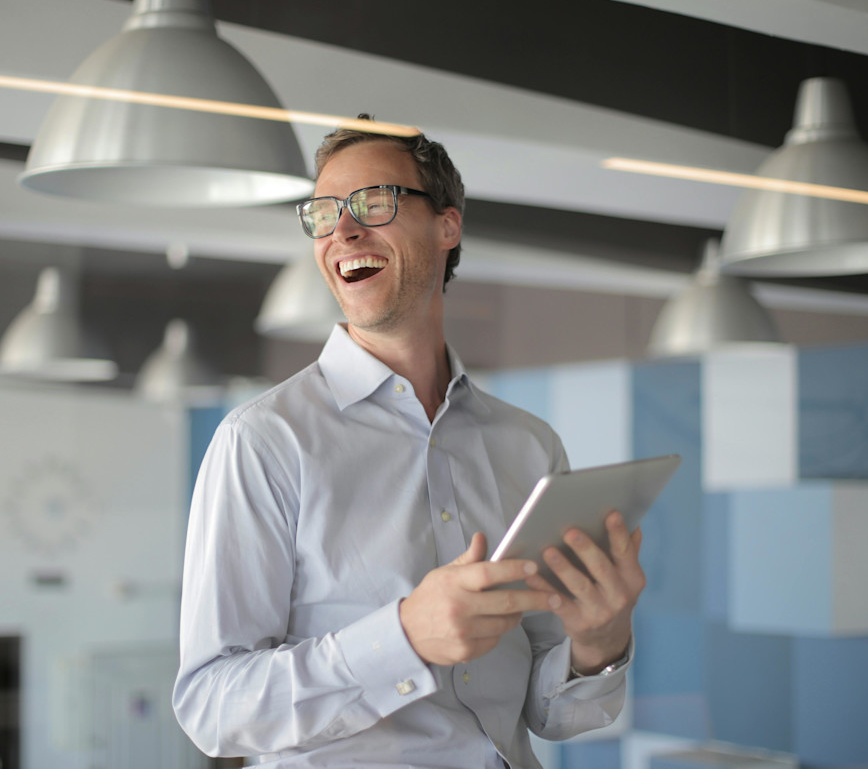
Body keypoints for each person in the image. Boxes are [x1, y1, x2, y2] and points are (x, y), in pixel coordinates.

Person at [172, 118, 645, 767]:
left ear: (447, 226)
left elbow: (549, 714)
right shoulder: (262, 442)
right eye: (324, 213)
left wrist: (599, 640)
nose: (343, 231)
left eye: (373, 202)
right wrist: (402, 639)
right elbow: (213, 706)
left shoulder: (529, 447)